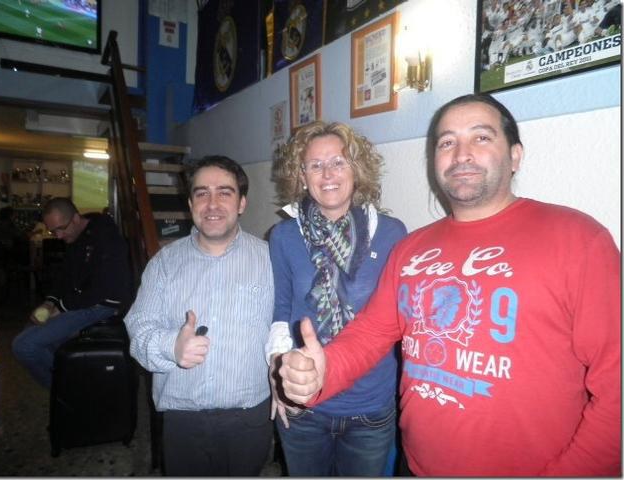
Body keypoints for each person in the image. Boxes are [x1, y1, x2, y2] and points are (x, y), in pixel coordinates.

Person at [278, 94, 621, 476]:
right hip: (417, 466)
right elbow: (371, 333)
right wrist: (323, 371)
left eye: (481, 137)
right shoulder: (411, 248)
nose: (461, 154)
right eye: (447, 142)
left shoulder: (577, 240)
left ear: (515, 156)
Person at [266, 121, 407, 476]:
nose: (327, 174)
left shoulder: (391, 233)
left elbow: (397, 318)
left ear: (356, 170)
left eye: (338, 162)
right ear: (302, 176)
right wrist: (278, 371)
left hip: (370, 408)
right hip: (304, 405)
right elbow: (281, 310)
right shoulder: (283, 236)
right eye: (315, 165)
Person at [123, 155, 275, 476]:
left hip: (249, 419)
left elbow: (286, 331)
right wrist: (171, 347)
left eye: (225, 192)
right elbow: (139, 329)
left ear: (242, 203)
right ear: (191, 203)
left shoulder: (271, 261)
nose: (212, 204)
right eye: (202, 193)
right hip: (183, 420)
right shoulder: (164, 264)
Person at [12, 198, 132, 389]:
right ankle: (73, 390)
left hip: (103, 306)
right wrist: (50, 302)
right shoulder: (76, 236)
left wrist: (61, 307)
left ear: (76, 218)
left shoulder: (106, 237)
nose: (58, 236)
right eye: (53, 231)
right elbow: (65, 277)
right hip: (83, 303)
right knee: (32, 333)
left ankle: (69, 392)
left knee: (24, 345)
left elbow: (105, 290)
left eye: (61, 228)